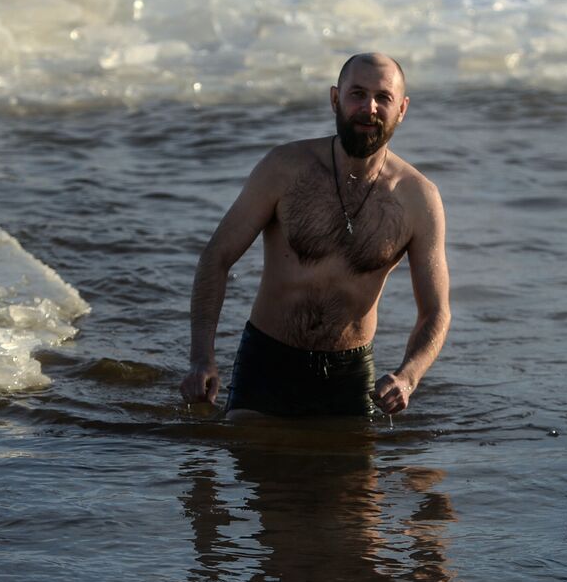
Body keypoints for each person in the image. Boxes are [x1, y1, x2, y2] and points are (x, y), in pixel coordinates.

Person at [180, 52, 450, 419]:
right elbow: (217, 257)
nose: (369, 107)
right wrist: (202, 359)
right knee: (247, 455)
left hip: (349, 374)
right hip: (268, 360)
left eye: (383, 98)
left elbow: (435, 311)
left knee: (350, 476)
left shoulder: (419, 198)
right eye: (357, 94)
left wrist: (408, 377)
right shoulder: (285, 169)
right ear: (335, 99)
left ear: (401, 109)